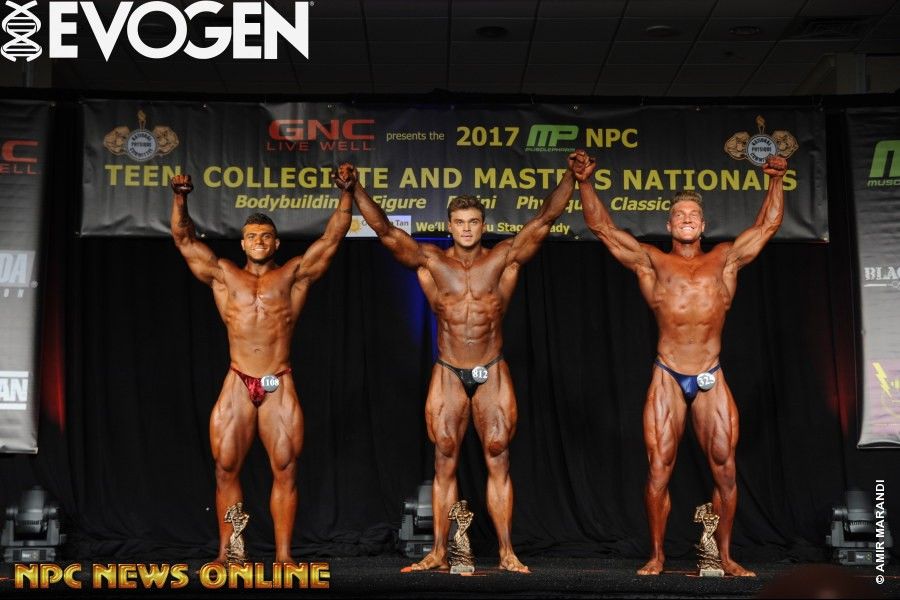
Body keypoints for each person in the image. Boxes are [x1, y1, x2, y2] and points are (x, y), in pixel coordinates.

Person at [348, 151, 595, 573]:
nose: (466, 228)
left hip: (491, 369)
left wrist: (572, 178)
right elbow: (385, 230)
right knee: (444, 457)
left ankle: (507, 552)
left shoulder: (502, 259)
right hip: (448, 370)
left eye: (473, 222)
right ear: (449, 226)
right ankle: (439, 551)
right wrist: (355, 190)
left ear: (483, 225)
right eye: (459, 222)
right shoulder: (431, 262)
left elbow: (544, 219)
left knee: (498, 454)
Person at [580, 153, 788, 576]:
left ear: (703, 225)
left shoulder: (725, 259)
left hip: (711, 373)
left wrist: (777, 180)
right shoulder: (652, 262)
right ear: (670, 224)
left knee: (725, 469)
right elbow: (603, 228)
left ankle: (724, 556)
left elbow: (767, 226)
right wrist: (584, 183)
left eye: (694, 214)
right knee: (659, 468)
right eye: (680, 214)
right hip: (668, 374)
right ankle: (657, 555)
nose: (687, 218)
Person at [169, 166, 354, 563]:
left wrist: (346, 193)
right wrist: (180, 199)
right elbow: (184, 239)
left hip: (278, 380)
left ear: (276, 242)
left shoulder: (293, 275)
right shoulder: (224, 275)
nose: (258, 241)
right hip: (238, 379)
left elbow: (332, 238)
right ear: (242, 242)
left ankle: (284, 557)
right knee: (225, 468)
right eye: (252, 236)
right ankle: (229, 553)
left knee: (285, 468)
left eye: (266, 236)